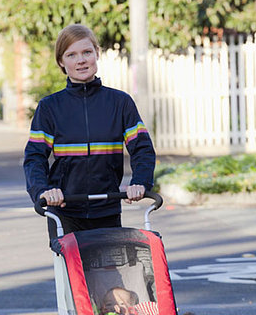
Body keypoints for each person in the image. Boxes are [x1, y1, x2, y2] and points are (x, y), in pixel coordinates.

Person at [23, 24, 156, 237]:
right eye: (71, 55)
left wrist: (140, 182)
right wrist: (43, 191)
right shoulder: (50, 107)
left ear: (97, 54)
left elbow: (142, 149)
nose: (81, 60)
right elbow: (34, 157)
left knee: (108, 270)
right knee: (72, 271)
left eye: (87, 52)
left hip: (108, 209)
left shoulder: (120, 103)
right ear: (61, 62)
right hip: (64, 212)